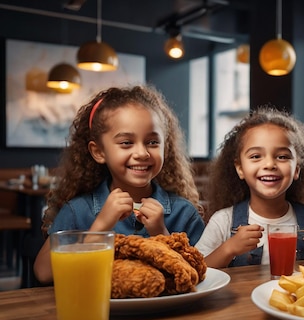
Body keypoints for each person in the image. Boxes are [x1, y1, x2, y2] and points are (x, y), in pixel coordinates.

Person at [33, 85, 206, 284]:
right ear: (99, 152)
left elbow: (200, 272)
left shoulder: (183, 213)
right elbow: (43, 272)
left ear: (165, 147)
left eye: (152, 142)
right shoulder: (77, 212)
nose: (142, 153)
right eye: (126, 143)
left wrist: (161, 235)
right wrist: (100, 226)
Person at [195, 106, 304, 268]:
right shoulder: (223, 221)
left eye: (282, 156)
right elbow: (197, 271)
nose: (269, 164)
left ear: (296, 169)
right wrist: (228, 249)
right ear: (240, 168)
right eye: (256, 156)